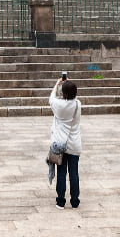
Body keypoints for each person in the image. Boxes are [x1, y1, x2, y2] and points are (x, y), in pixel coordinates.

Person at [49, 78, 82, 210]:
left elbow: (51, 97)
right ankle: (75, 201)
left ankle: (60, 201)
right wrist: (69, 86)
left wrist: (58, 84)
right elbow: (73, 97)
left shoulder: (58, 105)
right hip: (74, 144)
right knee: (74, 173)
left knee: (61, 173)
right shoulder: (78, 104)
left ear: (63, 93)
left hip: (60, 145)